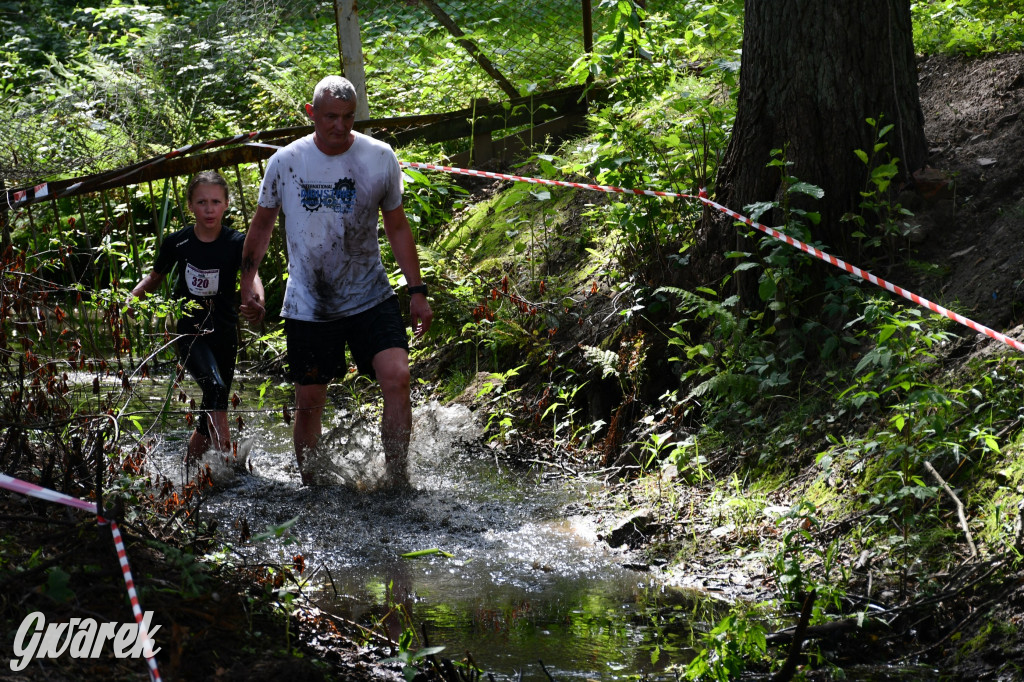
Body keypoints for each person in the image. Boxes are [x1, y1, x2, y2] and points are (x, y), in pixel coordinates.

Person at [238, 75, 432, 489]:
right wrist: (249, 281)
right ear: (311, 114)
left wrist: (417, 291)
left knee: (397, 376)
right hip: (310, 303)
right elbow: (261, 227)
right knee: (310, 401)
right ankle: (313, 489)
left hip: (370, 293)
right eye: (330, 117)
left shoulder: (379, 157)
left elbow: (397, 227)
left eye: (348, 117)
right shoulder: (286, 162)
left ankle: (397, 481)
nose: (340, 127)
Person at [131, 170, 265, 461]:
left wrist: (257, 300)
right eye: (202, 202)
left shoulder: (237, 242)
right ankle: (228, 466)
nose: (209, 209)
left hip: (225, 331)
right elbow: (154, 278)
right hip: (190, 331)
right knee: (216, 388)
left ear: (226, 204)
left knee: (213, 404)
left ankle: (189, 467)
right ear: (190, 205)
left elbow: (252, 275)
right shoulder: (177, 242)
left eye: (216, 201)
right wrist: (128, 300)